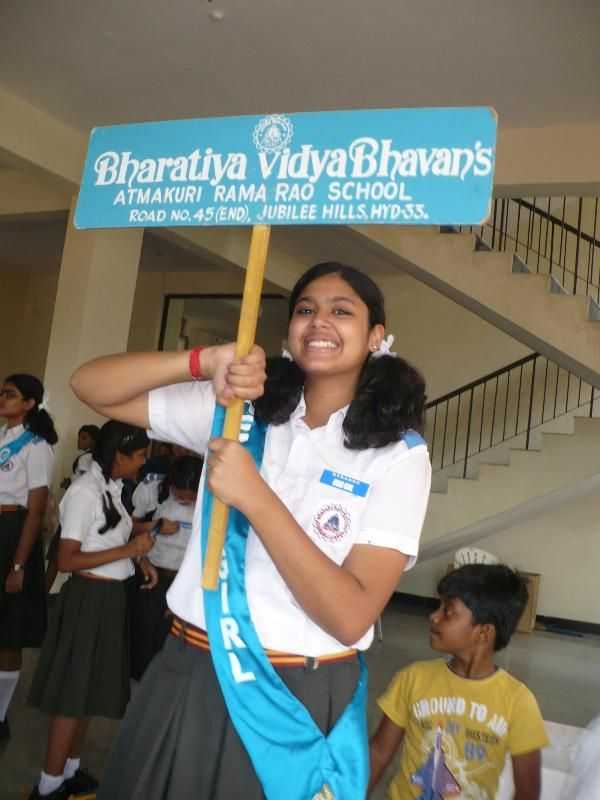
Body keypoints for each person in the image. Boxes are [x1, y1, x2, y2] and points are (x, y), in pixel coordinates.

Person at [70, 261, 432, 799]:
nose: (319, 322)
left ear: (377, 335)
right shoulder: (242, 413)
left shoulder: (397, 456)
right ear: (288, 333)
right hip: (187, 665)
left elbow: (351, 613)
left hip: (293, 694)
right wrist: (203, 359)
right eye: (306, 310)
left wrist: (255, 497)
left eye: (341, 311)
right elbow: (90, 386)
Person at [27, 420, 155, 799]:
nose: (144, 463)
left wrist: (137, 561)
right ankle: (48, 786)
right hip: (88, 601)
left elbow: (113, 538)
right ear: (119, 454)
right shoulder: (84, 491)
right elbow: (67, 560)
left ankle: (70, 771)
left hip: (111, 600)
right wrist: (129, 552)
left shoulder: (113, 488)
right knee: (72, 695)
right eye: (140, 455)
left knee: (90, 692)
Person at [369, 564, 549, 800]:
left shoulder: (518, 702)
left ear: (483, 633)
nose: (434, 616)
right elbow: (379, 754)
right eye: (438, 607)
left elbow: (527, 792)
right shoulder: (413, 678)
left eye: (448, 611)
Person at [0, 373, 57, 741]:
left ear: (30, 403)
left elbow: (36, 511)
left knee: (9, 631)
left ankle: (0, 713)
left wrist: (19, 565)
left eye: (10, 394)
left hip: (13, 535)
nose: (2, 398)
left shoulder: (37, 447)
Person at [130, 454, 203, 681]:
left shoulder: (210, 498)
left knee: (172, 639)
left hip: (184, 579)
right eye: (180, 495)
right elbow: (128, 527)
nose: (185, 500)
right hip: (150, 572)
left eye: (190, 498)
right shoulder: (152, 489)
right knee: (142, 634)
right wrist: (156, 526)